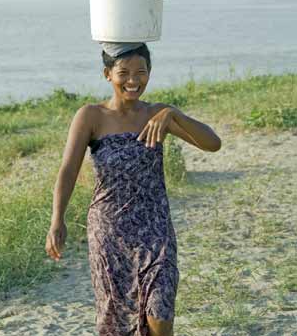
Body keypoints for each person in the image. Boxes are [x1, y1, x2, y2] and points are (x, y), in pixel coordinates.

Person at [45, 43, 221, 336]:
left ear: (150, 74)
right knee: (116, 318)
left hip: (155, 228)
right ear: (107, 74)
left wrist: (173, 114)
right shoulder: (90, 116)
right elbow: (68, 170)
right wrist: (57, 219)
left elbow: (213, 144)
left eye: (141, 72)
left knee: (161, 311)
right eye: (123, 73)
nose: (133, 80)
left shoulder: (158, 115)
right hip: (109, 230)